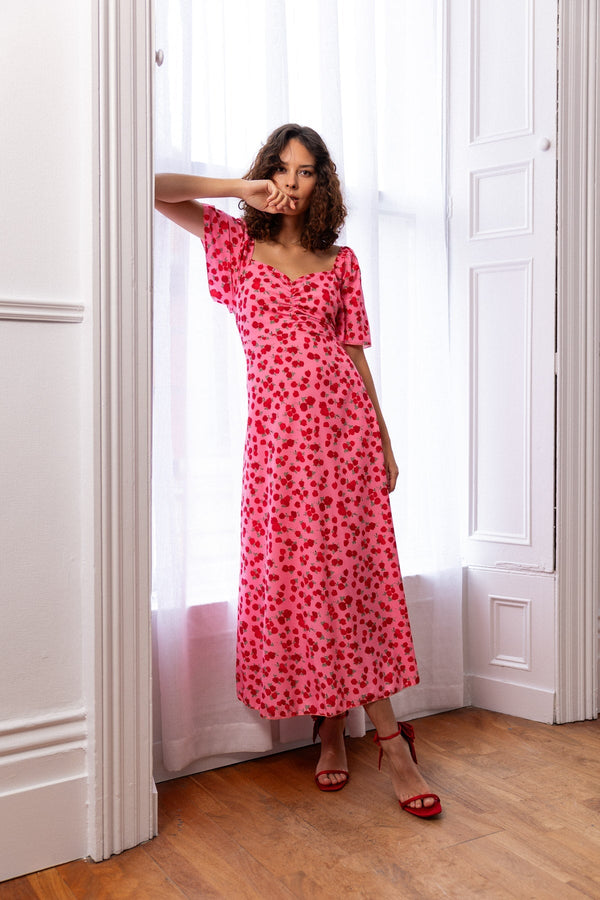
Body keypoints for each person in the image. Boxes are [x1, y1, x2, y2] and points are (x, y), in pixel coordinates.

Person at [155, 123, 441, 818]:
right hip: (278, 449)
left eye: (305, 171)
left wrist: (384, 439)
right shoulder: (235, 246)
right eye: (281, 168)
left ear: (322, 183)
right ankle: (330, 727)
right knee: (303, 581)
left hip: (345, 438)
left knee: (353, 581)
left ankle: (391, 742)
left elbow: (356, 354)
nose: (291, 181)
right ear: (267, 172)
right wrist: (239, 188)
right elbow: (153, 188)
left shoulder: (340, 263)